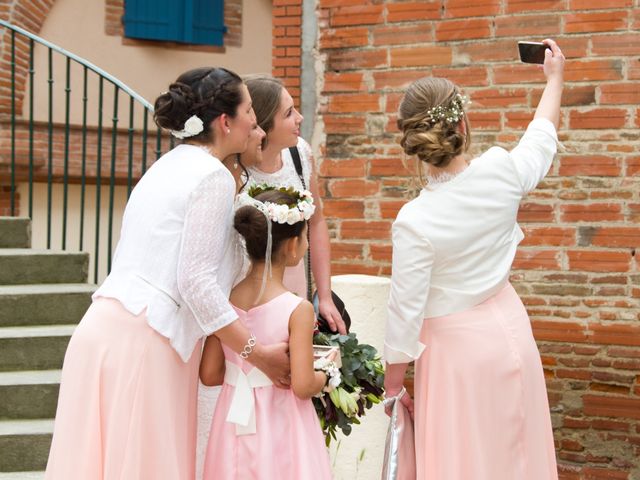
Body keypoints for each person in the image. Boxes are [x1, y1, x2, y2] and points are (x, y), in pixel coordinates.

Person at [45, 67, 289, 480]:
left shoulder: (170, 164)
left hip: (103, 332)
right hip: (147, 342)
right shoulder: (210, 176)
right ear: (225, 122)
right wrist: (257, 353)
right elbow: (195, 281)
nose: (255, 121)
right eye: (249, 110)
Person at [383, 39, 564, 480]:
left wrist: (392, 388)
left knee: (465, 463)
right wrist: (555, 79)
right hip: (512, 333)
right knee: (517, 458)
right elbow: (540, 140)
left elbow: (404, 315)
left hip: (456, 357)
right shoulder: (500, 170)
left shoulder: (414, 221)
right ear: (463, 124)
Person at [200, 187, 336, 479]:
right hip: (281, 425)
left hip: (232, 426)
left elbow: (210, 374)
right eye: (305, 237)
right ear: (291, 246)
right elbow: (302, 386)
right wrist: (328, 371)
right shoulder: (297, 309)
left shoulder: (224, 302)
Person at [239, 75, 346, 334]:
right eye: (288, 113)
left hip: (296, 280)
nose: (299, 118)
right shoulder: (237, 171)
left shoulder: (300, 154)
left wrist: (325, 295)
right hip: (247, 289)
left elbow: (317, 222)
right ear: (265, 125)